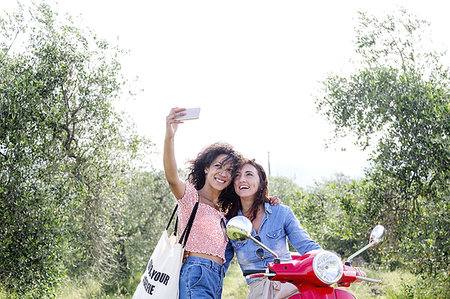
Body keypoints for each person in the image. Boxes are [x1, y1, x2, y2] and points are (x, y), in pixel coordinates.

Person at [164, 107, 244, 299]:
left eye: (229, 170)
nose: (223, 173)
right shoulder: (191, 197)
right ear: (207, 168)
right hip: (195, 273)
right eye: (218, 166)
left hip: (216, 278)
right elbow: (172, 178)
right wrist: (170, 137)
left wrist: (270, 201)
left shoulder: (224, 211)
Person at [224, 158, 322, 299]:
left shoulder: (281, 212)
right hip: (257, 291)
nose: (242, 179)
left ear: (261, 182)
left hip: (289, 288)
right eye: (237, 175)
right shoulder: (230, 223)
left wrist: (331, 262)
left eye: (249, 174)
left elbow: (307, 246)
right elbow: (221, 262)